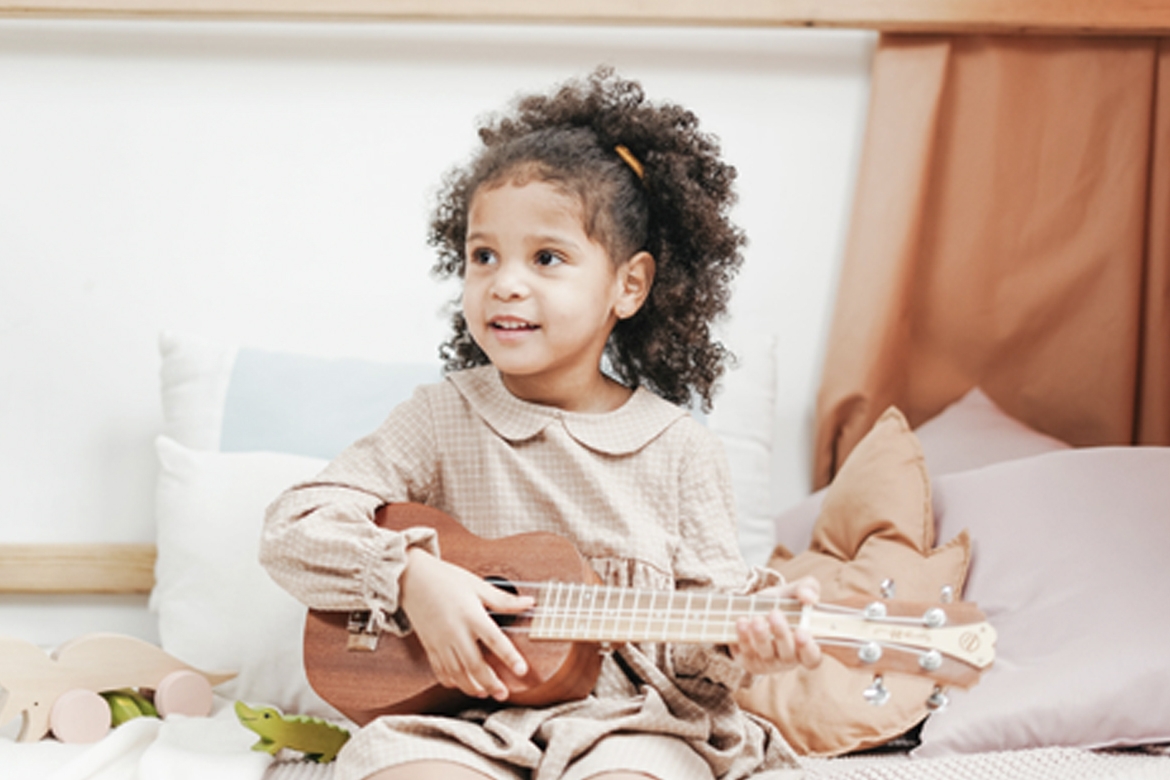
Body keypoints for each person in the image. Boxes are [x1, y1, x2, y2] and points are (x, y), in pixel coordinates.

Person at [261, 67, 821, 780]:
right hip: (457, 721)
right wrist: (411, 578)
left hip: (629, 727)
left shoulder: (681, 450)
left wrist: (743, 645)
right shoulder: (442, 417)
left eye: (547, 257)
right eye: (483, 255)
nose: (505, 281)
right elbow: (292, 527)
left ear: (629, 284)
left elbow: (696, 658)